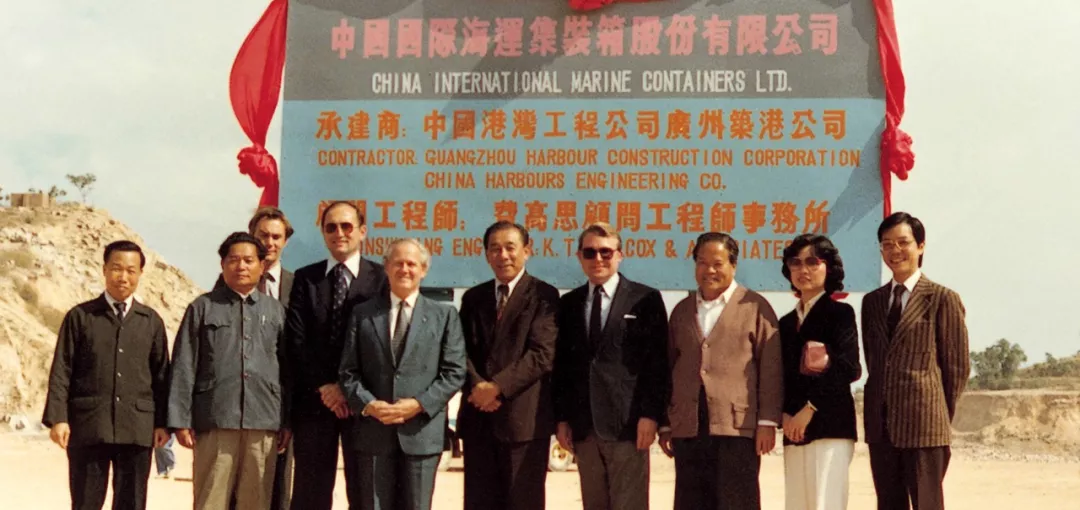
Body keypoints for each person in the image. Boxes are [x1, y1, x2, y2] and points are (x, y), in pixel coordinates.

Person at [339, 238, 467, 510]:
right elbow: (348, 372)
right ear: (386, 266)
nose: (405, 269)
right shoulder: (363, 314)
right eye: (398, 263)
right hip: (374, 433)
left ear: (424, 269)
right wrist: (370, 405)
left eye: (412, 264)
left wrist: (418, 404)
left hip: (421, 434)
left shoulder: (444, 316)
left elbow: (454, 372)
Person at [657, 232, 782, 510]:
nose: (709, 270)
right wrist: (666, 424)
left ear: (733, 265)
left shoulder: (755, 307)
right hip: (688, 426)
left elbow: (771, 368)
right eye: (702, 263)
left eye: (717, 263)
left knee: (736, 502)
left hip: (737, 428)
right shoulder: (681, 311)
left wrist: (767, 422)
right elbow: (668, 369)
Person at [42, 240, 171, 510]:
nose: (123, 277)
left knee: (132, 503)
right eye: (116, 268)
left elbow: (162, 376)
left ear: (140, 273)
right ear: (104, 270)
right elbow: (62, 369)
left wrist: (163, 424)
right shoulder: (80, 317)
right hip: (89, 426)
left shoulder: (151, 321)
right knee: (85, 503)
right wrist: (59, 418)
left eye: (131, 270)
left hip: (137, 428)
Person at [167, 232, 290, 509]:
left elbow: (287, 371)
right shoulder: (203, 307)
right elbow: (184, 363)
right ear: (222, 265)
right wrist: (181, 420)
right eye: (233, 260)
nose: (241, 266)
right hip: (215, 418)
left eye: (248, 260)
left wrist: (287, 420)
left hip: (263, 421)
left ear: (262, 266)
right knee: (211, 499)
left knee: (255, 501)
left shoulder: (276, 312)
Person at [552, 222, 670, 510]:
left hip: (628, 425)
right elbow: (562, 367)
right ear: (579, 257)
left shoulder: (645, 299)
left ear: (620, 255)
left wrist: (650, 415)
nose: (598, 259)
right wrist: (563, 418)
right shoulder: (569, 303)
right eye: (590, 252)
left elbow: (657, 363)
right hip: (584, 425)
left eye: (606, 252)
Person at [862, 212, 970, 510]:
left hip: (925, 427)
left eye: (903, 242)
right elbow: (874, 362)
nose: (895, 251)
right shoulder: (872, 302)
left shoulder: (941, 298)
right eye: (887, 244)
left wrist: (936, 413)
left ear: (920, 246)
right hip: (881, 427)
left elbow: (957, 368)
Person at [287, 200, 387, 509]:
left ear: (362, 231)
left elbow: (381, 343)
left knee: (365, 492)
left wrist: (348, 389)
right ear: (323, 233)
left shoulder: (382, 278)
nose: (339, 233)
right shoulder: (306, 278)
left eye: (346, 226)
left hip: (364, 403)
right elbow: (297, 338)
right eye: (331, 227)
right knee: (310, 493)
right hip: (316, 402)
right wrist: (326, 387)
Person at [457, 221, 559, 510]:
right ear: (486, 255)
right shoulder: (473, 298)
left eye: (510, 248)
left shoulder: (544, 296)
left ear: (527, 251)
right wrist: (477, 386)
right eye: (495, 249)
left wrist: (497, 387)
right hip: (478, 420)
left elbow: (542, 354)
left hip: (522, 425)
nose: (503, 255)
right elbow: (458, 351)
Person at [213, 206, 296, 510]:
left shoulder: (298, 286)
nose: (269, 243)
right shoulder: (225, 285)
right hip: (235, 411)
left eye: (276, 236)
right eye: (263, 235)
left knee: (277, 487)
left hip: (276, 405)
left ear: (285, 240)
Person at [778, 234, 862, 510]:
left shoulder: (841, 314)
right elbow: (780, 376)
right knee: (796, 505)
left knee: (826, 504)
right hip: (793, 429)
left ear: (829, 267)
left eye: (812, 262)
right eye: (796, 262)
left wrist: (809, 409)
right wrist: (785, 416)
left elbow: (849, 368)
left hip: (830, 427)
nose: (803, 269)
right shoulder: (785, 323)